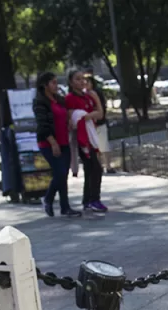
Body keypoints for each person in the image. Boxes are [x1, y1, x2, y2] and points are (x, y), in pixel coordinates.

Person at [33, 72, 79, 217]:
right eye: (53, 82)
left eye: (56, 82)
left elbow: (65, 115)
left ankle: (65, 207)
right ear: (44, 85)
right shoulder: (40, 102)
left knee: (64, 174)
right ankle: (48, 198)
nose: (56, 85)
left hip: (64, 140)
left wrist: (69, 121)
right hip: (49, 143)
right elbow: (43, 125)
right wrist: (53, 143)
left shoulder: (59, 99)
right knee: (59, 172)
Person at [65, 71, 108, 213]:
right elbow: (74, 119)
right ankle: (93, 199)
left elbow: (100, 114)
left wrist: (95, 100)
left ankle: (88, 200)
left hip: (91, 136)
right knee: (95, 167)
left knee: (91, 168)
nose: (82, 81)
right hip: (81, 139)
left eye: (83, 79)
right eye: (77, 79)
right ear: (71, 82)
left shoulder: (88, 97)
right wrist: (87, 116)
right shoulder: (70, 98)